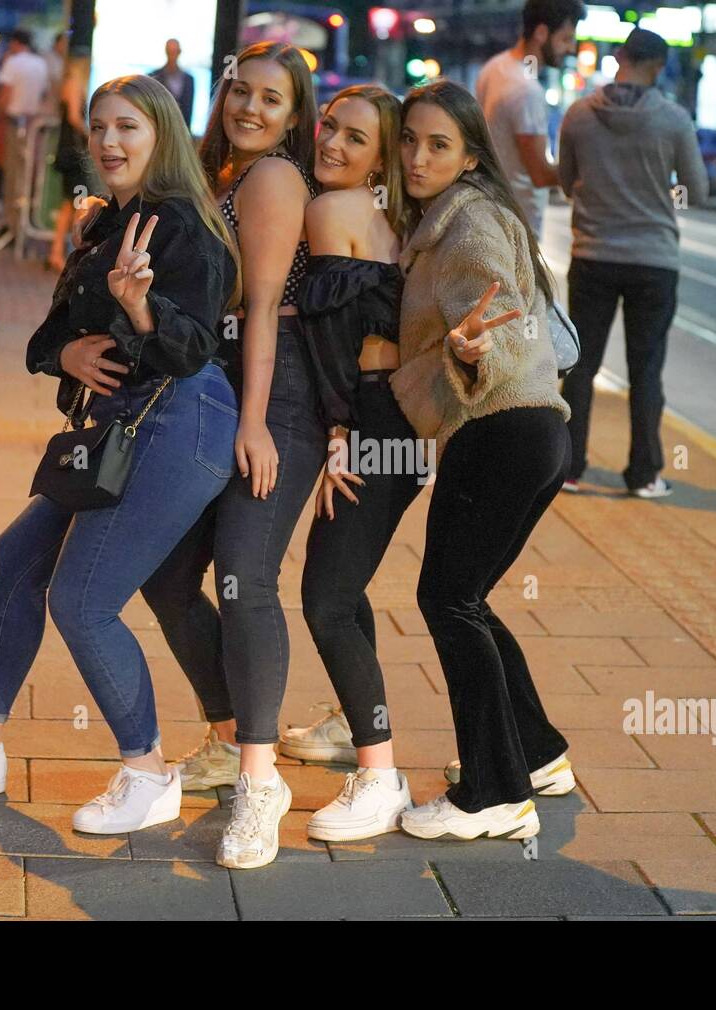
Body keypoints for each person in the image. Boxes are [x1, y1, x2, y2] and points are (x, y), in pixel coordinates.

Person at [0, 75, 243, 837]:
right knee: (17, 560)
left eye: (127, 129)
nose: (108, 142)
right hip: (115, 426)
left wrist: (140, 307)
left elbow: (192, 349)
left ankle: (147, 772)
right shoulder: (110, 222)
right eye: (99, 127)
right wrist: (69, 350)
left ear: (162, 136)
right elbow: (48, 339)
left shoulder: (185, 227)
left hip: (181, 421)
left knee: (83, 599)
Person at [136, 41, 321, 870]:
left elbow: (264, 313)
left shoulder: (273, 179)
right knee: (168, 573)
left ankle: (259, 781)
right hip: (211, 389)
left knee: (244, 578)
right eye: (239, 91)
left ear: (292, 115)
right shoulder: (211, 174)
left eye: (270, 99)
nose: (249, 106)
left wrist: (255, 425)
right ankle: (224, 734)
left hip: (268, 396)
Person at [391, 79, 575, 843]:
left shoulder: (464, 227)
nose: (417, 157)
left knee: (448, 602)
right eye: (408, 140)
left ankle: (492, 795)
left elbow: (494, 319)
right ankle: (537, 755)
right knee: (469, 598)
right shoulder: (477, 215)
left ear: (470, 155)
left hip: (498, 428)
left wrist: (474, 349)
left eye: (438, 145)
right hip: (536, 434)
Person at [277, 85, 418, 842]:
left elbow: (333, 338)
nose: (330, 142)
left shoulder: (330, 210)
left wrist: (337, 432)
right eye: (330, 125)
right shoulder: (398, 216)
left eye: (354, 138)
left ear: (382, 156)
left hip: (368, 416)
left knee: (326, 598)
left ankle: (379, 774)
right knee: (347, 581)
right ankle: (347, 723)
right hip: (406, 421)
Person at [557, 26, 706, 498]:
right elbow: (697, 191)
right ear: (659, 66)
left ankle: (570, 468)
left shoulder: (579, 116)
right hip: (653, 262)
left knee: (581, 365)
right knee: (646, 369)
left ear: (618, 58)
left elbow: (565, 181)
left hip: (593, 255)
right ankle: (643, 474)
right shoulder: (675, 120)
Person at [474, 0, 582, 239]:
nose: (571, 48)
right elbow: (540, 174)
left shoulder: (495, 67)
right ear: (542, 33)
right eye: (566, 39)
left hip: (491, 212)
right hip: (517, 227)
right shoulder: (526, 90)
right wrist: (589, 167)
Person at [0, 28, 48, 240]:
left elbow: (5, 96)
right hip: (34, 126)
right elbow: (43, 93)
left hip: (13, 123)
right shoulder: (40, 64)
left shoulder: (13, 62)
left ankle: (12, 227)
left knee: (12, 176)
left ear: (15, 43)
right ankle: (21, 226)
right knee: (27, 177)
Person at [47, 49, 93, 272]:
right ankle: (75, 251)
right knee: (81, 201)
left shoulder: (66, 84)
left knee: (69, 202)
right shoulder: (75, 84)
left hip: (66, 150)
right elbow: (75, 118)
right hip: (73, 152)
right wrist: (92, 135)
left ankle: (57, 252)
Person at [148, 38, 194, 126]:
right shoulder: (153, 77)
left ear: (179, 52)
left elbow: (189, 110)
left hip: (181, 129)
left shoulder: (189, 79)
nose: (172, 55)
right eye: (169, 51)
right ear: (166, 52)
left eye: (175, 51)